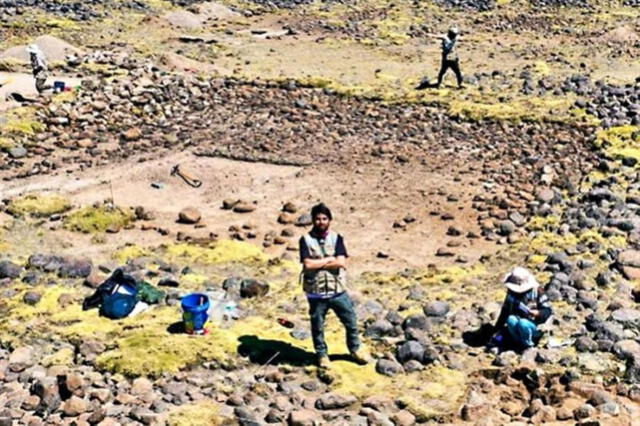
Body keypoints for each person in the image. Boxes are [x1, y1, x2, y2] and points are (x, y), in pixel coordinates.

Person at [299, 203, 369, 370]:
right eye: (317, 219)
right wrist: (329, 261)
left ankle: (355, 349)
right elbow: (308, 265)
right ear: (313, 221)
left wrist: (321, 263)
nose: (321, 222)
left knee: (351, 321)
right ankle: (322, 355)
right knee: (318, 326)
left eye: (324, 218)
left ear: (329, 220)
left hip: (338, 291)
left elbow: (341, 262)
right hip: (316, 293)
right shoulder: (305, 240)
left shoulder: (337, 238)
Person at [489, 267, 552, 350]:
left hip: (535, 327)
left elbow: (548, 311)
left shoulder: (538, 291)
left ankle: (528, 346)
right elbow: (505, 312)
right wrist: (496, 329)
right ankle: (517, 343)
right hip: (517, 325)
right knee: (510, 320)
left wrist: (538, 313)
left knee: (523, 324)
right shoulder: (511, 293)